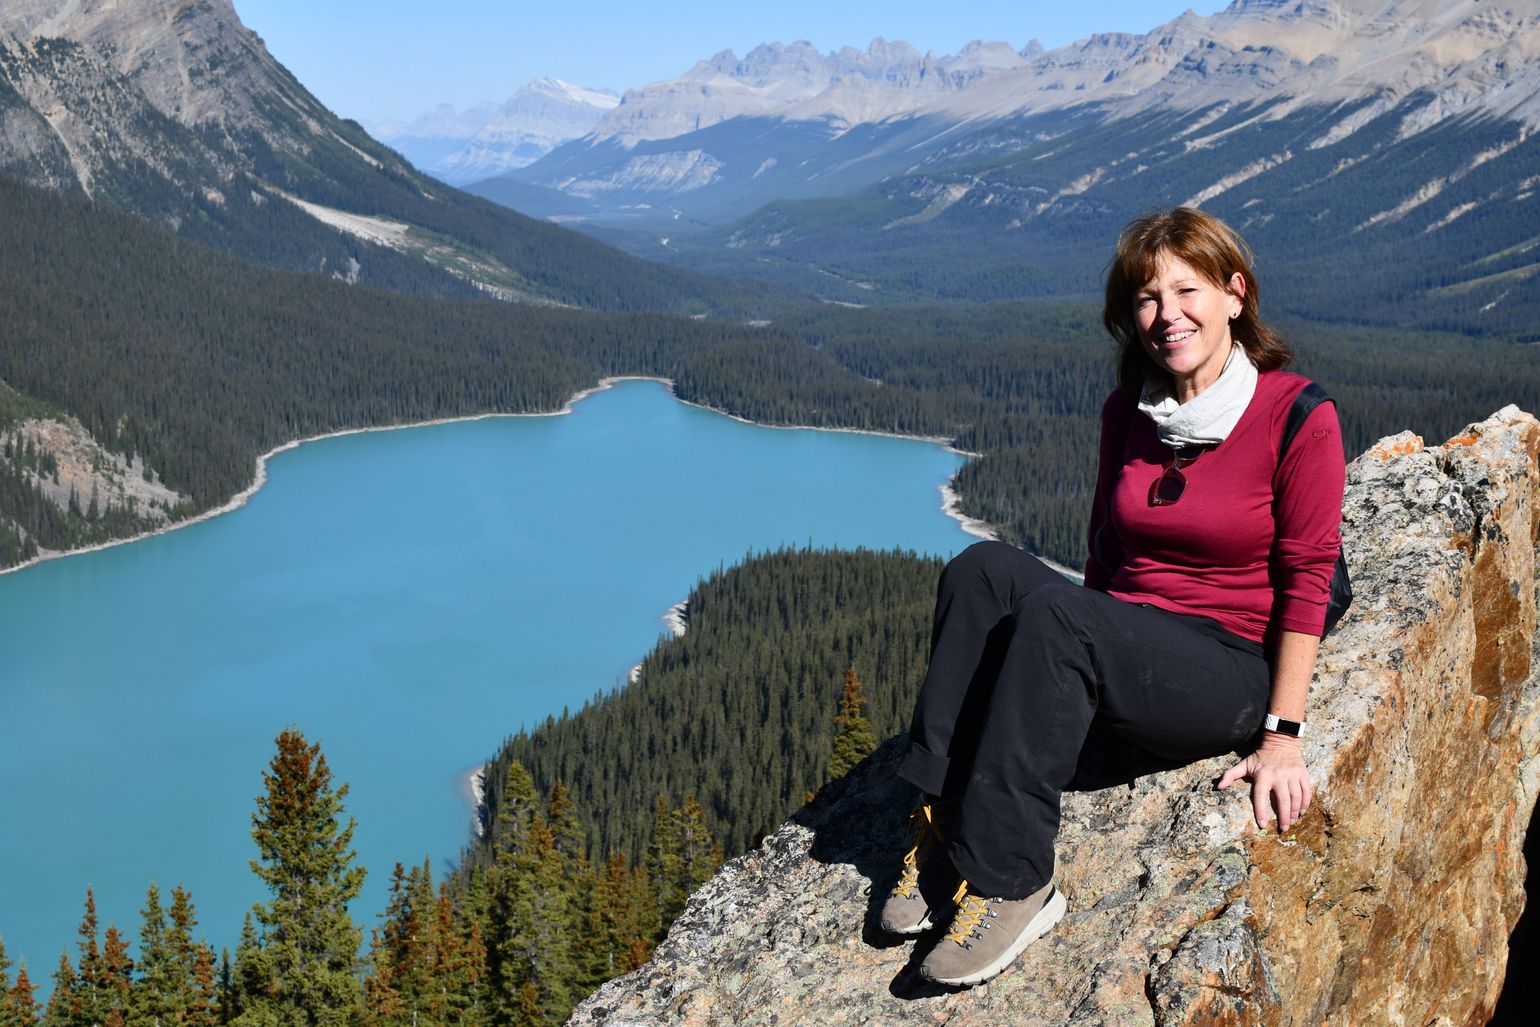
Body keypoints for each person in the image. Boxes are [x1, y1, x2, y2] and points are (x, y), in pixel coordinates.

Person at [880, 207, 1346, 987]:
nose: (1167, 316)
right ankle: (942, 813)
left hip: (1225, 666)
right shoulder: (1129, 411)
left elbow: (1307, 580)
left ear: (1236, 294)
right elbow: (1104, 551)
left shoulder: (1297, 414)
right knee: (981, 570)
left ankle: (1013, 876)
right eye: (1146, 299)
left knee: (1060, 614)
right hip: (1127, 635)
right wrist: (1063, 674)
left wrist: (1283, 735)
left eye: (1186, 290)